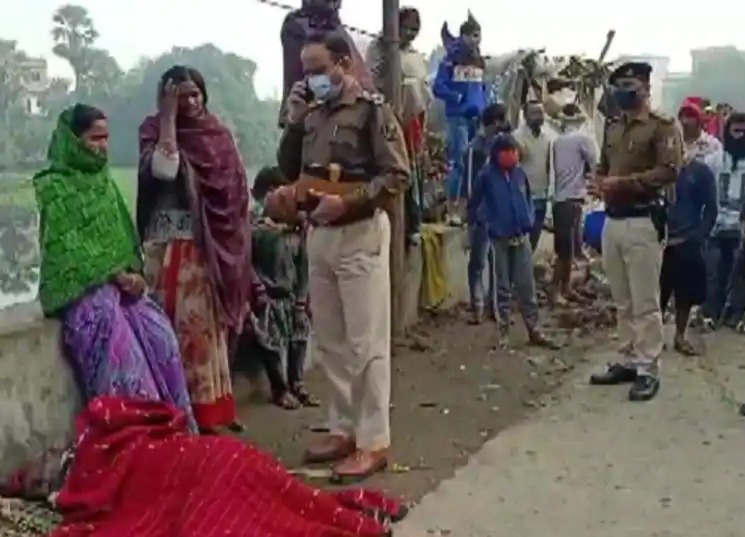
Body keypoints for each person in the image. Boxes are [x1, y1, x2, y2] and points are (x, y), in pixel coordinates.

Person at [271, 32, 410, 480]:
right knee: (331, 340)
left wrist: (348, 202)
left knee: (366, 343)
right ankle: (343, 427)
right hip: (320, 233)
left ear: (344, 64)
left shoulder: (372, 111)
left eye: (319, 69)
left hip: (359, 232)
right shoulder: (312, 116)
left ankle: (373, 440)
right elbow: (289, 167)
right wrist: (294, 122)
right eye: (306, 72)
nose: (312, 79)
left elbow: (396, 175)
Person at [34, 104, 195, 431]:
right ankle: (138, 440)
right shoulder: (53, 187)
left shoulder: (104, 181)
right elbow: (66, 254)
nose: (103, 146)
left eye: (106, 138)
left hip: (120, 287)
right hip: (84, 294)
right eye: (95, 139)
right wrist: (111, 273)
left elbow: (121, 240)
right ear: (73, 140)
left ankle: (177, 433)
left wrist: (133, 277)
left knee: (161, 334)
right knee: (125, 357)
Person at [46, 397, 408, 537]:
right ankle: (351, 521)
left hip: (212, 463)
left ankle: (348, 521)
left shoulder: (103, 444)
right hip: (215, 461)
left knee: (273, 506)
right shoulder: (101, 461)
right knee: (280, 506)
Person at [137, 65, 251, 434]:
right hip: (163, 249)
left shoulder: (217, 135)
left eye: (194, 94)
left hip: (205, 249)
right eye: (179, 96)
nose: (190, 102)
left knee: (200, 332)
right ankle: (173, 411)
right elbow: (164, 170)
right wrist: (168, 120)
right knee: (167, 332)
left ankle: (208, 411)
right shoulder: (153, 130)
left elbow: (235, 193)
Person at [588, 61, 682, 401]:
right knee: (622, 300)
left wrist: (624, 183)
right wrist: (599, 181)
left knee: (645, 301)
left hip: (643, 220)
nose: (623, 92)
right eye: (619, 86)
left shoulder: (662, 126)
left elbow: (669, 170)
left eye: (630, 85)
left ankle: (648, 368)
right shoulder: (613, 126)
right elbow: (604, 165)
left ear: (645, 88)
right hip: (612, 220)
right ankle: (629, 358)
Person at [238, 166, 318, 410]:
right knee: (269, 341)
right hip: (268, 297)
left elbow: (304, 268)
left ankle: (297, 383)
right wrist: (257, 288)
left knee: (300, 335)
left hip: (291, 296)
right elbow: (246, 261)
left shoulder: (296, 233)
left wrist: (302, 300)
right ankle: (279, 388)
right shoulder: (255, 230)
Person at [468, 133, 558, 348]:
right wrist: (487, 223)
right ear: (497, 153)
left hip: (521, 235)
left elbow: (527, 198)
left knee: (527, 286)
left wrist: (528, 219)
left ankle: (534, 329)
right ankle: (503, 332)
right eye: (507, 151)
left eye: (513, 151)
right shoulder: (486, 176)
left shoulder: (519, 174)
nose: (511, 155)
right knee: (502, 287)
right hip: (499, 238)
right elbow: (475, 204)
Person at [366, 7, 431, 246]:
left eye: (415, 30)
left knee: (411, 172)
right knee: (390, 169)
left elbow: (423, 91)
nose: (410, 34)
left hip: (412, 122)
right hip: (386, 120)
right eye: (407, 28)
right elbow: (373, 79)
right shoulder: (379, 49)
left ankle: (412, 223)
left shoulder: (414, 56)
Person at [279, 0, 371, 127]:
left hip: (347, 109)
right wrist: (295, 118)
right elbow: (296, 75)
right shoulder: (297, 26)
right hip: (309, 114)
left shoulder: (337, 29)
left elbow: (361, 78)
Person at [660, 151, 717, 354]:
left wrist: (699, 235)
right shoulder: (658, 171)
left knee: (684, 295)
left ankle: (680, 336)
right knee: (656, 292)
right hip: (659, 241)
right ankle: (653, 337)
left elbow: (711, 208)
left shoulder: (700, 172)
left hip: (687, 240)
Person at [433, 12, 486, 225]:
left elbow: (482, 87)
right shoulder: (451, 59)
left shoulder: (479, 61)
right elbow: (438, 86)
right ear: (463, 36)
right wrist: (455, 97)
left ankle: (468, 208)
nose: (476, 40)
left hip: (476, 119)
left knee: (475, 164)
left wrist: (485, 107)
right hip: (458, 117)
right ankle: (451, 208)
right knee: (459, 163)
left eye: (479, 36)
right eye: (473, 35)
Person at [465, 103, 510, 324]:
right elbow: (469, 186)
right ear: (496, 122)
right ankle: (479, 306)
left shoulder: (496, 147)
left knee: (493, 262)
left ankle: (490, 306)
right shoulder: (475, 149)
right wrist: (471, 215)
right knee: (479, 261)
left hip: (494, 212)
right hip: (482, 213)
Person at [550, 103, 598, 304]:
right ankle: (556, 291)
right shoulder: (583, 139)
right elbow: (595, 164)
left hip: (562, 199)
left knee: (567, 249)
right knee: (565, 250)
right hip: (572, 199)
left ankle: (566, 288)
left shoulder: (557, 141)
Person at [702, 112, 745, 329]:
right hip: (716, 226)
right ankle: (711, 313)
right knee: (712, 272)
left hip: (741, 227)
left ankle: (735, 314)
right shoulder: (713, 160)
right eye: (736, 131)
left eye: (744, 132)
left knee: (739, 276)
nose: (740, 136)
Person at [514, 100, 554, 250]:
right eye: (534, 113)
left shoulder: (547, 138)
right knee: (522, 236)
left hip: (541, 193)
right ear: (525, 116)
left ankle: (528, 260)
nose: (538, 116)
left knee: (535, 234)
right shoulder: (517, 137)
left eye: (541, 113)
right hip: (523, 194)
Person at [678, 97, 722, 164]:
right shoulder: (674, 145)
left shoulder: (713, 144)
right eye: (682, 116)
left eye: (690, 116)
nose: (684, 121)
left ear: (699, 120)